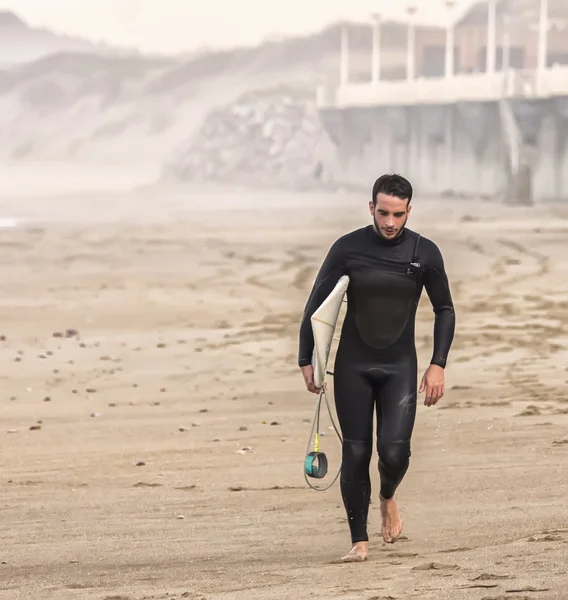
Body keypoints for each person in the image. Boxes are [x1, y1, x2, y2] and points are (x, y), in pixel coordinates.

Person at [298, 173, 456, 563]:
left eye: (398, 214)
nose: (389, 222)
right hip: (353, 363)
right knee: (356, 452)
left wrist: (438, 365)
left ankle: (387, 497)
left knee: (395, 452)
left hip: (399, 365)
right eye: (382, 212)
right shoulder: (347, 248)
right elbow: (316, 303)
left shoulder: (425, 252)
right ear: (371, 207)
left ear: (408, 211)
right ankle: (359, 540)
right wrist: (307, 358)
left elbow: (444, 310)